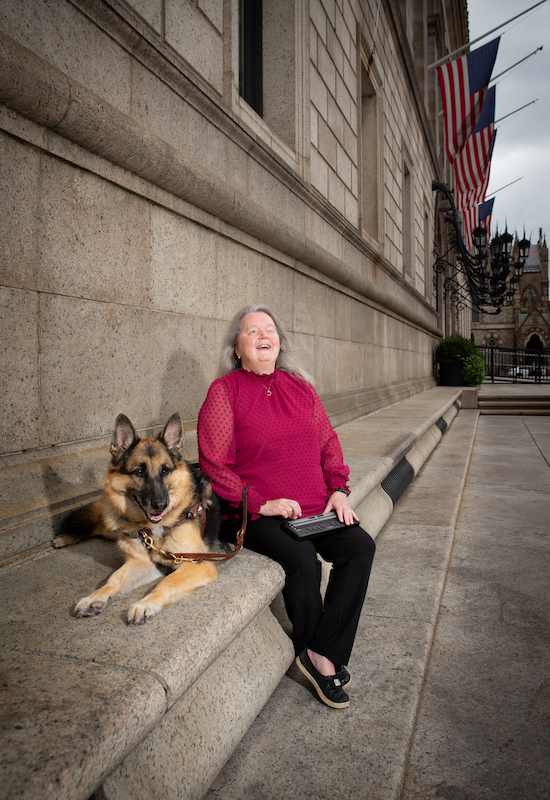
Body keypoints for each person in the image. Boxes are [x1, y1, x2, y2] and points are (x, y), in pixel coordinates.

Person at [197, 305, 375, 709]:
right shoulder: (225, 392)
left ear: (279, 342)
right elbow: (214, 463)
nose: (264, 335)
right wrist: (262, 503)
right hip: (259, 512)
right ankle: (318, 657)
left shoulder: (302, 389)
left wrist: (339, 490)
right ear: (237, 348)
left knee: (360, 548)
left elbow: (329, 444)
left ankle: (321, 647)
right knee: (303, 560)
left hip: (316, 506)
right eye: (252, 331)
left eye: (270, 329)